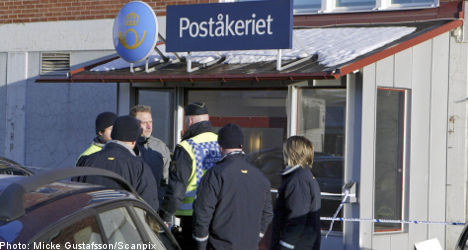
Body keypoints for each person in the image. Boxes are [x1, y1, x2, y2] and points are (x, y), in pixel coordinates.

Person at [192, 123, 273, 250]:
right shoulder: (260, 177)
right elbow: (267, 213)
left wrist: (200, 243)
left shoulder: (215, 174)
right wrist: (257, 237)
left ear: (220, 146)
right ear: (241, 145)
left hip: (219, 245)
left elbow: (202, 213)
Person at [160, 102, 222, 249]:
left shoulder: (187, 147)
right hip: (219, 214)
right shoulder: (221, 142)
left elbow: (176, 190)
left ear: (190, 121)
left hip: (192, 217)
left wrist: (165, 215)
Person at [76, 115, 159, 211]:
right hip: (123, 223)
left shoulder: (86, 160)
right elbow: (149, 205)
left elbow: (75, 198)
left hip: (92, 222)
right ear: (133, 141)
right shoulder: (139, 166)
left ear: (113, 136)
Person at [271, 136, 321, 250]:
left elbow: (296, 219)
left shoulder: (298, 180)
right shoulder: (303, 176)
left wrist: (284, 246)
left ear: (291, 153)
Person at [130, 105, 170, 201]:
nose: (149, 126)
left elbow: (166, 180)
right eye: (144, 123)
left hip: (155, 206)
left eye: (150, 122)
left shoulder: (161, 147)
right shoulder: (127, 145)